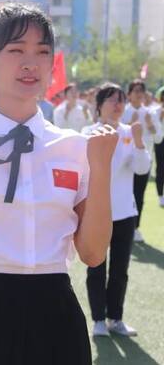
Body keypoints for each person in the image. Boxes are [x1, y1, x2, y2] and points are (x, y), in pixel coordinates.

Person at [0, 3, 118, 365]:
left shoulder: (74, 147)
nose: (30, 63)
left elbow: (93, 254)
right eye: (16, 51)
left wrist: (102, 169)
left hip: (55, 311)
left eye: (41, 53)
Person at [81, 83, 150, 338]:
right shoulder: (88, 132)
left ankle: (115, 318)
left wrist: (140, 141)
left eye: (121, 100)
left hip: (124, 212)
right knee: (96, 265)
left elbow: (142, 169)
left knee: (120, 269)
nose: (118, 104)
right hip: (97, 212)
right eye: (112, 99)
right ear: (99, 105)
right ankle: (98, 319)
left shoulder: (130, 132)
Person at [121, 80, 161, 242]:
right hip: (123, 161)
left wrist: (150, 125)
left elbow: (158, 138)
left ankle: (135, 228)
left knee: (138, 195)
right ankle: (120, 227)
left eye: (141, 91)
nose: (138, 94)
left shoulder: (150, 114)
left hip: (143, 160)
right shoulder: (123, 112)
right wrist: (129, 124)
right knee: (124, 193)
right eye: (135, 90)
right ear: (129, 94)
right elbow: (117, 135)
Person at [154, 88, 164, 207]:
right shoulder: (156, 111)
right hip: (160, 141)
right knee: (160, 168)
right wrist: (161, 118)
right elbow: (155, 129)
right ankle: (160, 196)